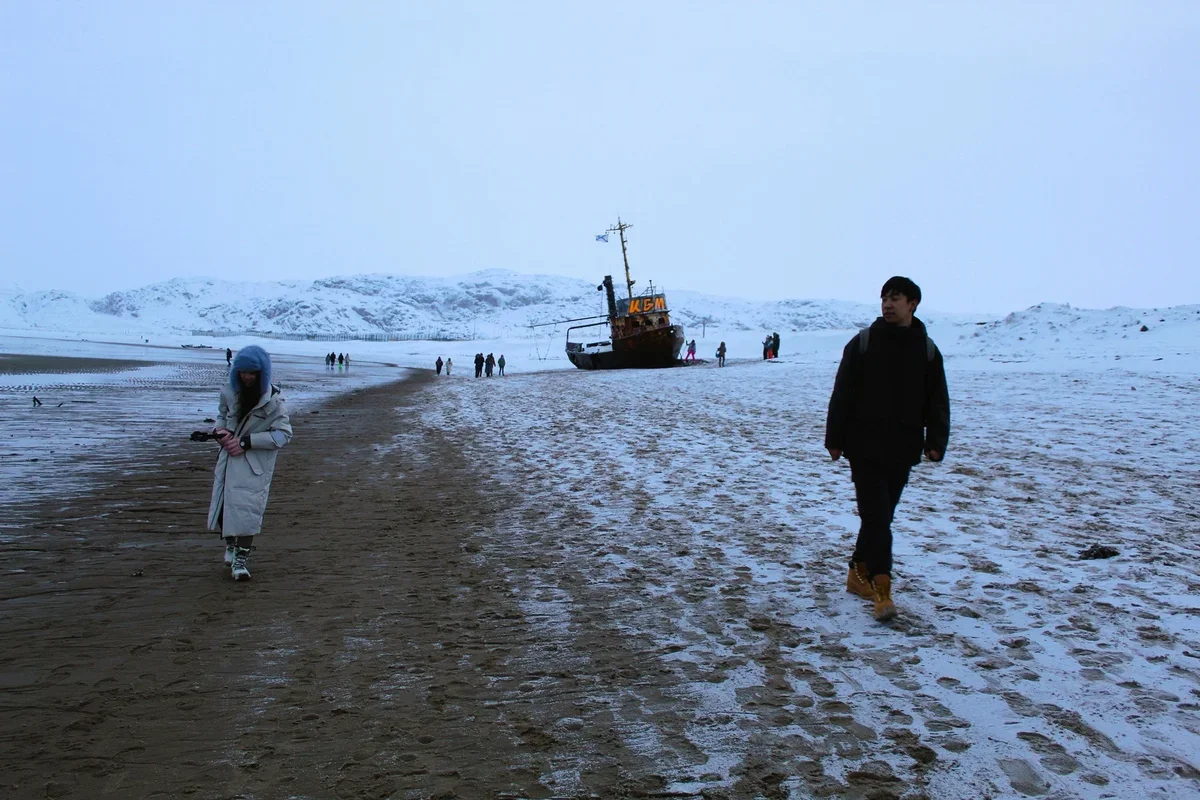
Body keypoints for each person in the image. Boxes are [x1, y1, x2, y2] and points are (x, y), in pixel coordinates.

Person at [825, 276, 950, 622]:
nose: (888, 304)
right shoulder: (863, 343)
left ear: (913, 304)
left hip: (903, 447)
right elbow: (842, 393)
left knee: (879, 517)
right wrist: (834, 439)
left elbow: (937, 400)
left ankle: (857, 571)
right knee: (878, 517)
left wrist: (936, 442)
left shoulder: (927, 350)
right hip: (863, 445)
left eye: (896, 298)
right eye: (884, 298)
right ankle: (882, 589)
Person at [206, 345, 293, 581]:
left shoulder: (274, 401)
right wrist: (220, 432)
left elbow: (283, 434)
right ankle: (231, 545)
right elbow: (222, 416)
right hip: (228, 459)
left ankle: (240, 561)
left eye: (252, 372)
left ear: (261, 373)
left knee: (248, 512)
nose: (246, 376)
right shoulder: (229, 392)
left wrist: (247, 442)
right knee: (225, 508)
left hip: (254, 465)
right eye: (242, 371)